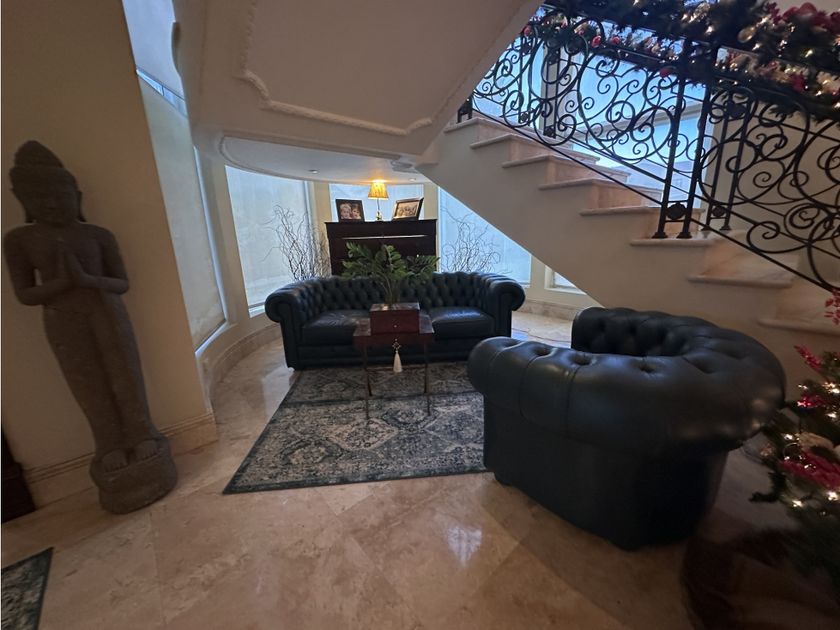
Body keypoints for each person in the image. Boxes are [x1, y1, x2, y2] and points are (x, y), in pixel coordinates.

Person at [4, 141, 167, 474]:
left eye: (60, 195)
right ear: (22, 199)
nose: (52, 203)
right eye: (40, 197)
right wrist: (63, 283)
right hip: (61, 317)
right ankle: (108, 442)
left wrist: (86, 280)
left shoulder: (98, 235)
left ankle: (141, 431)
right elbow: (25, 294)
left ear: (76, 197)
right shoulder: (19, 240)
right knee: (86, 383)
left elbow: (121, 282)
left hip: (107, 311)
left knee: (126, 376)